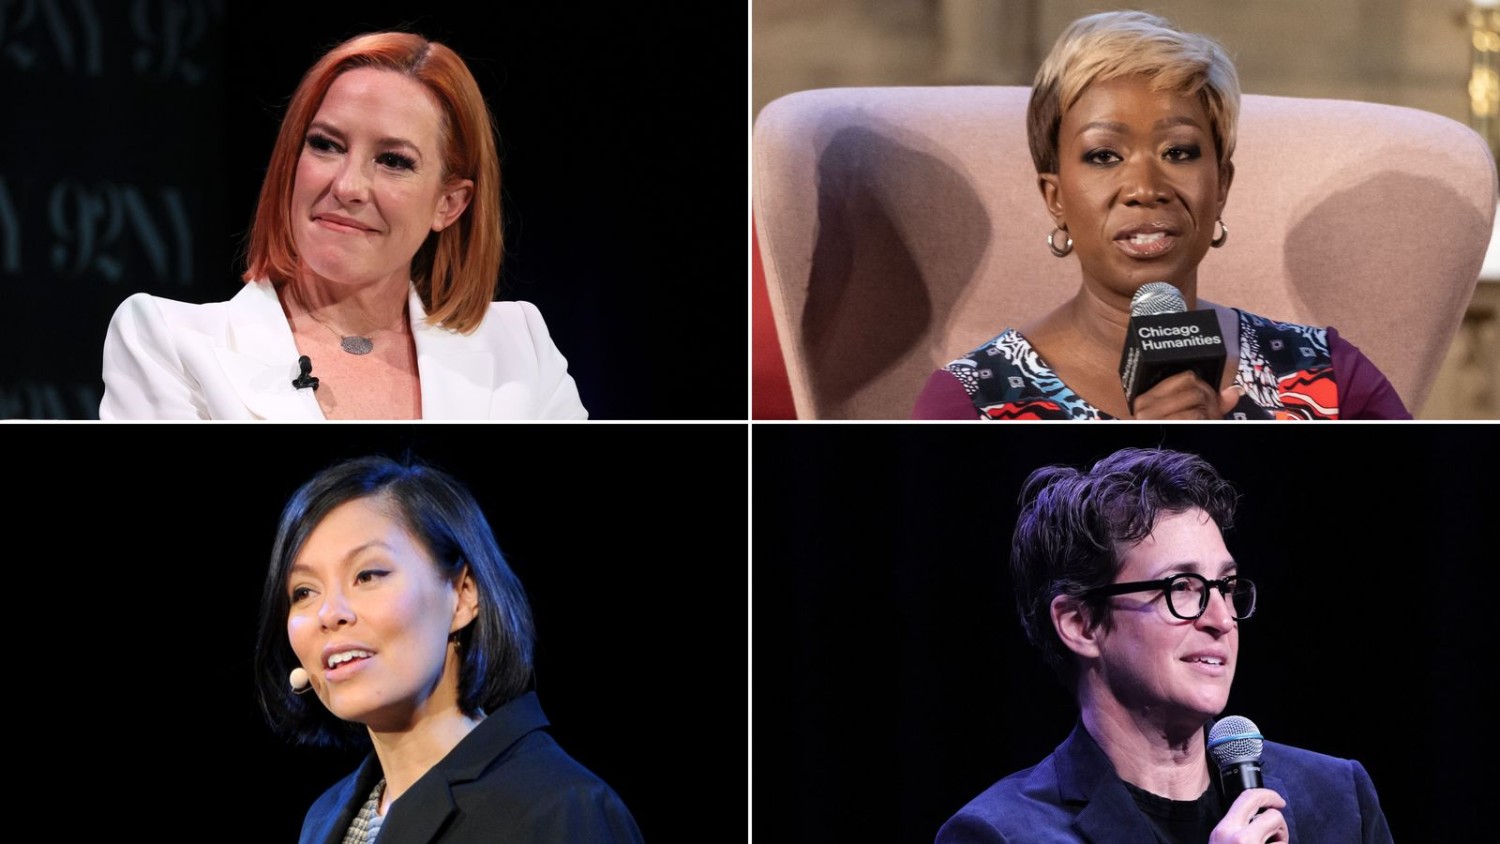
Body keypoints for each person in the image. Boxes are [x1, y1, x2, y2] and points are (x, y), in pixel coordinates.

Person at [912, 11, 1409, 420]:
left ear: (1222, 188)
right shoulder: (970, 402)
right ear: (1055, 197)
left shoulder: (1328, 378)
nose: (1146, 190)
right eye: (1104, 156)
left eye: (1179, 152)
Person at [100, 32, 587, 419]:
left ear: (449, 204)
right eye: (326, 145)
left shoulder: (518, 347)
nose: (348, 185)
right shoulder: (168, 341)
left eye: (394, 160)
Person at [935, 448, 1392, 842]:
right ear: (1080, 624)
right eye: (1183, 587)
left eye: (1227, 586)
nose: (1221, 619)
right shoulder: (1000, 833)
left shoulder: (1337, 797)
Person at [253, 455, 642, 842]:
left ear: (462, 595)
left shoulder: (560, 809)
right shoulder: (323, 819)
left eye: (368, 575)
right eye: (303, 592)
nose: (329, 613)